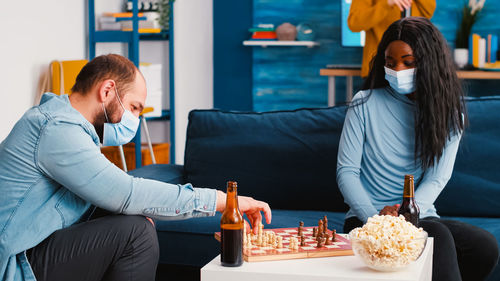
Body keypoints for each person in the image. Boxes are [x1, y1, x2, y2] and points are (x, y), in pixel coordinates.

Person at [0, 54, 272, 281]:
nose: (135, 120)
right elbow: (126, 192)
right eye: (134, 107)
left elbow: (104, 201)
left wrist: (141, 211)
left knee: (136, 221)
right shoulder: (56, 129)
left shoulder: (66, 128)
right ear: (107, 91)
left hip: (34, 249)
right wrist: (224, 201)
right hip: (13, 265)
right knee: (135, 234)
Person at [337, 17, 498, 281]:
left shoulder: (448, 111)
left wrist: (405, 217)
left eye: (408, 63)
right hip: (367, 220)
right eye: (390, 62)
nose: (397, 69)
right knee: (439, 236)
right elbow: (346, 172)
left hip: (418, 214)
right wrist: (377, 220)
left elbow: (437, 177)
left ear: (428, 63)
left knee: (484, 246)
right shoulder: (364, 103)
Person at [348, 0, 436, 77]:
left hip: (415, 68)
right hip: (379, 68)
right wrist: (386, 3)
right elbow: (354, 23)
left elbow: (429, 11)